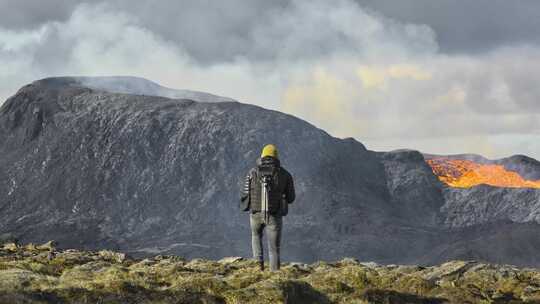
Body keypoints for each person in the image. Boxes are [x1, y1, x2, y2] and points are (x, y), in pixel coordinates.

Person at [240, 144, 295, 271]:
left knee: (256, 237)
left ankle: (258, 268)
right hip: (274, 215)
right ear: (276, 156)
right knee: (274, 249)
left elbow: (245, 194)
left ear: (262, 156)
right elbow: (291, 198)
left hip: (255, 214)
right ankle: (274, 275)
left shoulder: (252, 172)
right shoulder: (285, 174)